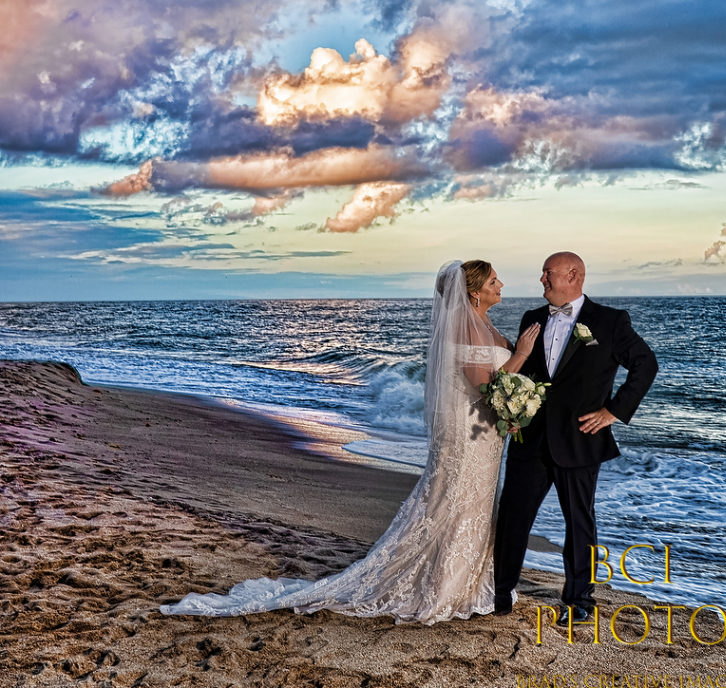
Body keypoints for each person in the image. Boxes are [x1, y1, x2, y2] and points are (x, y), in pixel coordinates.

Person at [161, 260, 540, 624]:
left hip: (486, 434)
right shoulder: (462, 327)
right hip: (467, 434)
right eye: (493, 281)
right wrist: (520, 354)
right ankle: (446, 586)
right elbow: (485, 385)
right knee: (456, 497)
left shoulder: (483, 322)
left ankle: (474, 580)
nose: (501, 285)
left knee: (476, 500)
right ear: (473, 292)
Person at [493, 251, 658, 623]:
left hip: (581, 438)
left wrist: (613, 412)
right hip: (530, 439)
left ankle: (580, 598)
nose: (542, 280)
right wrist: (514, 412)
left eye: (547, 273)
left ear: (574, 275)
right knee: (513, 517)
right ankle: (501, 591)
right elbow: (527, 377)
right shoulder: (532, 318)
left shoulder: (610, 322)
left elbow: (646, 364)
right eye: (543, 274)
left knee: (579, 520)